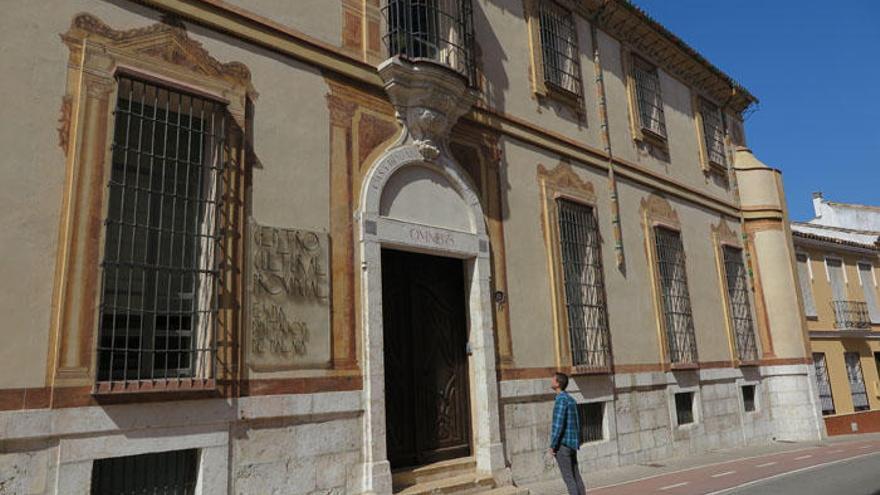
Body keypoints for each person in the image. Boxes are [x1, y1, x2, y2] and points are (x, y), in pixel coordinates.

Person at [548, 372, 585, 495]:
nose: (551, 380)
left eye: (553, 379)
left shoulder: (561, 400)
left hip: (562, 446)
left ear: (558, 383)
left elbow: (558, 425)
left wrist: (553, 446)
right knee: (576, 476)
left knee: (569, 479)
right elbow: (577, 423)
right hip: (572, 444)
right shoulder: (571, 400)